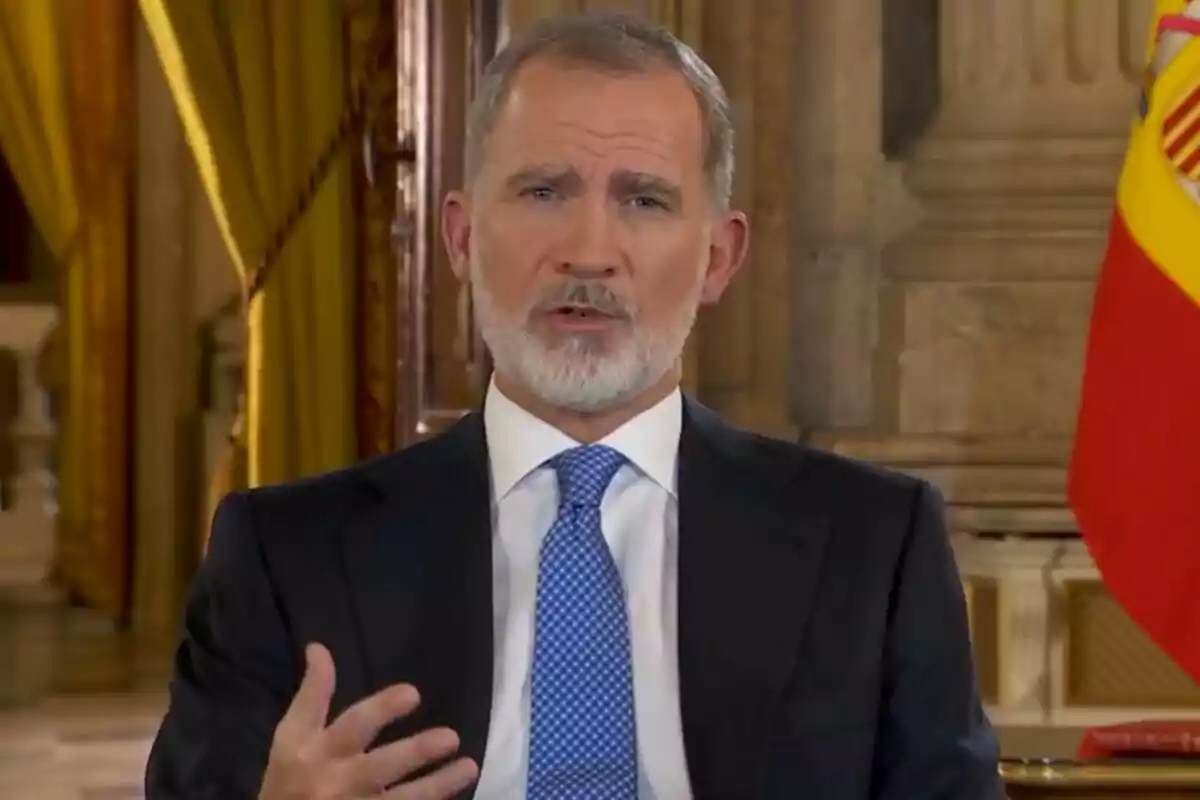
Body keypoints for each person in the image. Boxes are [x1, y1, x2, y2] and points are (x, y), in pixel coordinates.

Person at [145, 12, 1003, 800]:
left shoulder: (874, 548)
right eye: (544, 192)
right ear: (462, 236)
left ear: (717, 258)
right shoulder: (283, 557)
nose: (589, 252)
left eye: (643, 200)